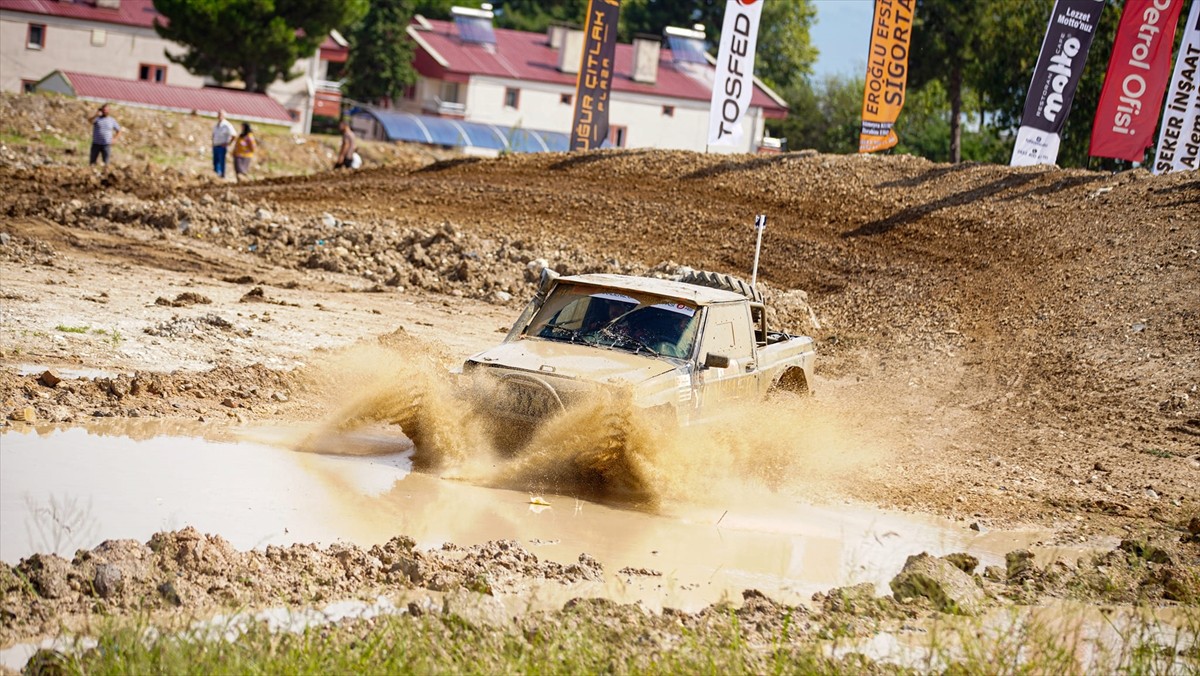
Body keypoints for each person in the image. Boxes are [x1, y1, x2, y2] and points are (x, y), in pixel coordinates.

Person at [211, 110, 236, 178]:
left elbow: (234, 135)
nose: (219, 116)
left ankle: (222, 175)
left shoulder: (227, 125)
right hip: (215, 146)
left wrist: (228, 144)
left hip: (222, 146)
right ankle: (216, 175)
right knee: (215, 162)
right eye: (218, 114)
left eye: (221, 114)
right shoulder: (216, 125)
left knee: (221, 161)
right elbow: (213, 135)